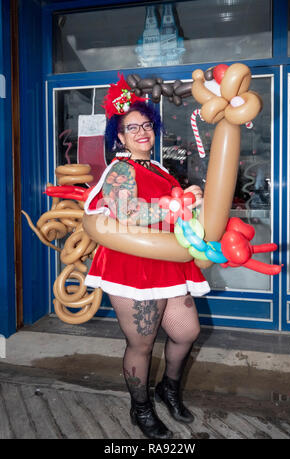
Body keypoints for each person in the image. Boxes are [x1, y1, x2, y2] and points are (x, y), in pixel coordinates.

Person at [83, 78, 210, 439]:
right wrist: (173, 203)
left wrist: (191, 201)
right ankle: (140, 409)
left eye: (146, 125)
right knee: (142, 343)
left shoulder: (161, 169)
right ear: (119, 136)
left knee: (187, 331)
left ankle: (166, 389)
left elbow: (176, 216)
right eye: (131, 127)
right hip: (132, 267)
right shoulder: (121, 168)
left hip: (167, 264)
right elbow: (125, 210)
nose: (141, 132)